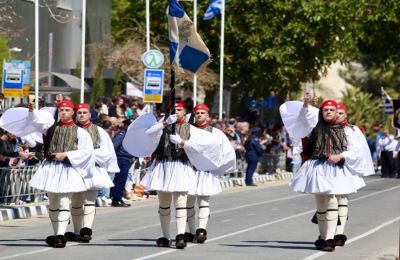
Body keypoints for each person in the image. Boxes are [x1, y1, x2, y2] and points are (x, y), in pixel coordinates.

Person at [280, 93, 374, 252]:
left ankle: (331, 237)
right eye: (326, 110)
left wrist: (341, 156)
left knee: (334, 199)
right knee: (321, 202)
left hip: (337, 169)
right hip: (317, 167)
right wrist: (306, 103)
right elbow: (304, 117)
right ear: (321, 112)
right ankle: (324, 238)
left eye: (332, 109)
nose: (330, 112)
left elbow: (355, 150)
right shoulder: (315, 125)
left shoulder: (348, 130)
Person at [133, 101, 221, 249]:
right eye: (173, 109)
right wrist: (165, 123)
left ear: (185, 113)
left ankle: (180, 235)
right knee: (164, 205)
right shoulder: (163, 125)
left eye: (179, 110)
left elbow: (204, 144)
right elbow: (148, 133)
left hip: (181, 165)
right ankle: (166, 236)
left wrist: (183, 142)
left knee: (181, 203)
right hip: (163, 166)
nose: (176, 112)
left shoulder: (191, 129)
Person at [28, 100, 94, 248]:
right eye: (61, 110)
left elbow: (87, 152)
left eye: (66, 110)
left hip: (68, 168)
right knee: (53, 203)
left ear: (72, 113)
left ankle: (60, 236)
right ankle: (56, 232)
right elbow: (36, 123)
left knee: (64, 201)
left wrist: (66, 154)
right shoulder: (50, 128)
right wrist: (32, 112)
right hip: (51, 168)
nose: (63, 112)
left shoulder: (80, 132)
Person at [66, 103, 117, 243]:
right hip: (75, 170)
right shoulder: (70, 130)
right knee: (76, 201)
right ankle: (77, 231)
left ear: (89, 114)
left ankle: (86, 230)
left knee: (89, 200)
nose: (81, 115)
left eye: (84, 112)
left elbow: (106, 152)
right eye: (79, 112)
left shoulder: (99, 131)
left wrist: (88, 154)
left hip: (92, 169)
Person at [185, 104, 236, 243]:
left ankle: (201, 230)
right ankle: (190, 231)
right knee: (188, 202)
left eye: (202, 112)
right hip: (190, 170)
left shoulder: (216, 133)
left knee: (203, 201)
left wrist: (217, 167)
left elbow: (226, 151)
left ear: (207, 115)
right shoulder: (187, 130)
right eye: (197, 113)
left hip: (206, 171)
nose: (199, 115)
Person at [110, 118, 135, 207]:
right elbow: (114, 146)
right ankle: (116, 199)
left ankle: (118, 197)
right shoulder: (122, 134)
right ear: (125, 125)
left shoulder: (130, 135)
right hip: (122, 158)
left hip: (127, 159)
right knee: (120, 179)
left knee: (123, 179)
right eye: (129, 125)